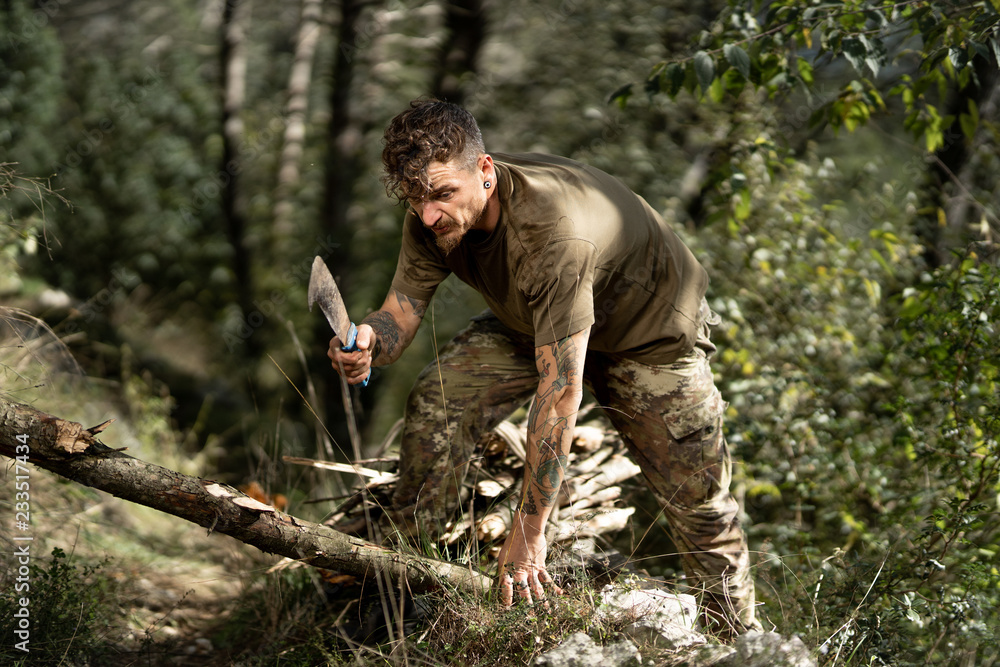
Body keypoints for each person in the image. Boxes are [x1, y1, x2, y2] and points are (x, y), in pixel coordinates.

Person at [327, 98, 761, 635]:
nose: (428, 214)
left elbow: (559, 394)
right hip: (541, 319)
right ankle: (401, 585)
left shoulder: (552, 231)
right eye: (415, 198)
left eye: (441, 195)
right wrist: (369, 339)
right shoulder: (432, 215)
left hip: (650, 338)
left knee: (698, 505)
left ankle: (736, 644)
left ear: (485, 171)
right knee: (440, 396)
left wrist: (529, 532)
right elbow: (400, 314)